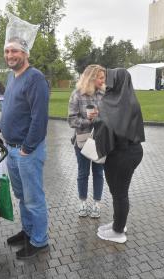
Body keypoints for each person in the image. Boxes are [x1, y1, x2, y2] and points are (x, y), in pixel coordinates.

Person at [0, 14, 49, 259]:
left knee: (34, 199)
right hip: (11, 149)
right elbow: (11, 109)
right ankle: (28, 231)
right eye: (7, 52)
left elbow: (39, 119)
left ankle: (39, 240)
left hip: (27, 151)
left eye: (14, 51)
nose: (9, 56)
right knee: (22, 197)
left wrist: (26, 148)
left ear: (24, 53)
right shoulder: (12, 77)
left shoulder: (35, 79)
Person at [94, 68, 145, 244]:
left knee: (119, 193)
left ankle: (118, 232)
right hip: (133, 151)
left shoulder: (110, 102)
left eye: (109, 78)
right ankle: (118, 223)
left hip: (120, 154)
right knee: (119, 192)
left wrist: (96, 118)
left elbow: (106, 129)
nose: (106, 81)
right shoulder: (131, 101)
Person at [68, 64, 106, 218]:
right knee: (83, 173)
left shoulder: (104, 94)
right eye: (101, 77)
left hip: (101, 140)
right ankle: (82, 202)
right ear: (91, 78)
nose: (103, 80)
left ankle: (96, 204)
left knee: (98, 172)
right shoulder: (77, 95)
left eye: (104, 77)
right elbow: (71, 120)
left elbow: (112, 116)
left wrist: (101, 117)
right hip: (82, 141)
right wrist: (88, 121)